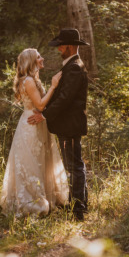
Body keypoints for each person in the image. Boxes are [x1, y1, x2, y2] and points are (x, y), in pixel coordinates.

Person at [28, 28, 89, 221]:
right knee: (75, 164)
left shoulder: (74, 67)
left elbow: (65, 98)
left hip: (70, 125)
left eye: (61, 45)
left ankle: (78, 209)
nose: (58, 49)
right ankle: (80, 204)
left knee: (74, 166)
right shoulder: (71, 65)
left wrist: (44, 115)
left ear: (69, 46)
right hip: (67, 124)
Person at [0, 48, 69, 217]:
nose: (42, 58)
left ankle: (43, 195)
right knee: (31, 162)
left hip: (38, 122)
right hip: (31, 125)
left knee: (40, 160)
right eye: (39, 57)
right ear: (31, 61)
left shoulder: (32, 79)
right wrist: (53, 86)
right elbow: (40, 105)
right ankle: (31, 202)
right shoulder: (29, 81)